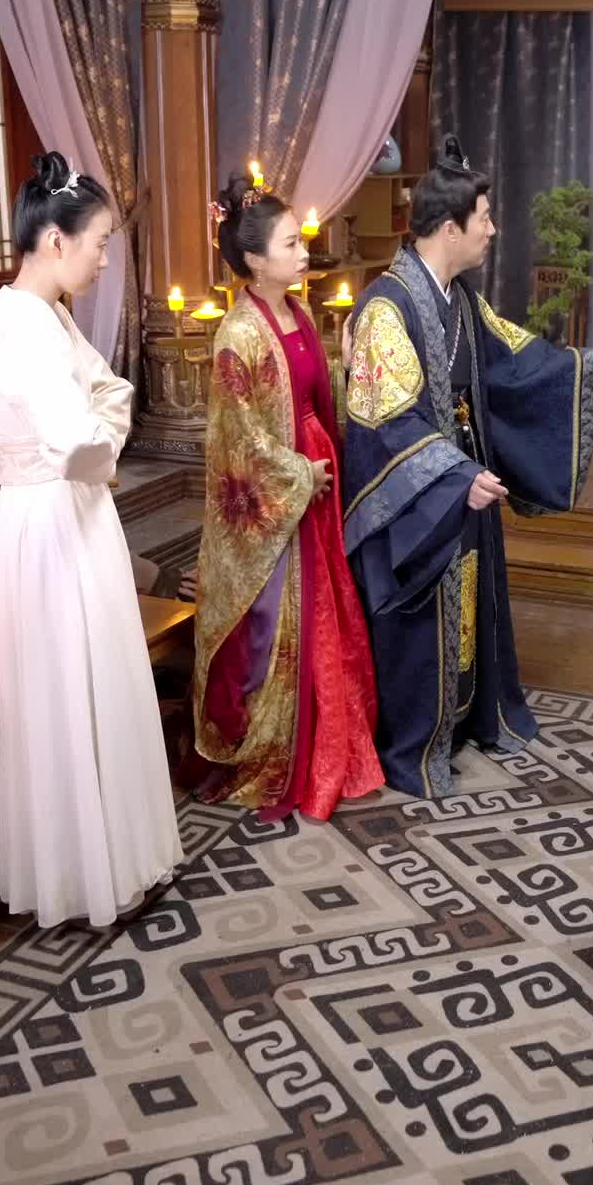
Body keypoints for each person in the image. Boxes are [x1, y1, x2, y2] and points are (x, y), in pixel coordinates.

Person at [343, 137, 593, 801]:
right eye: (485, 217)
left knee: (470, 602)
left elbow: (512, 357)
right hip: (418, 498)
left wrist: (586, 367)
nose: (493, 230)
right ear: (450, 228)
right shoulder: (386, 308)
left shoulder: (460, 299)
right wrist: (452, 476)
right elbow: (387, 418)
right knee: (420, 620)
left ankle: (467, 715)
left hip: (462, 481)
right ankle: (417, 745)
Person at [0, 151, 182, 928]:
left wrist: (98, 431)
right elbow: (81, 441)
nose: (101, 260)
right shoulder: (17, 328)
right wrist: (98, 435)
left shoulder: (48, 316)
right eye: (98, 243)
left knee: (98, 676)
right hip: (51, 520)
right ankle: (87, 874)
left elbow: (110, 393)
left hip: (75, 511)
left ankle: (112, 861)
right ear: (56, 240)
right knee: (71, 682)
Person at [192, 173, 381, 818]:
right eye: (290, 244)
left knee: (326, 611)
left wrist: (345, 365)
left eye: (301, 241)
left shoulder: (297, 314)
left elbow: (315, 392)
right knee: (281, 620)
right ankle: (273, 749)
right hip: (286, 489)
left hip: (315, 474)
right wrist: (300, 476)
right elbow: (236, 439)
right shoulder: (238, 334)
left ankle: (333, 736)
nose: (304, 253)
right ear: (253, 259)